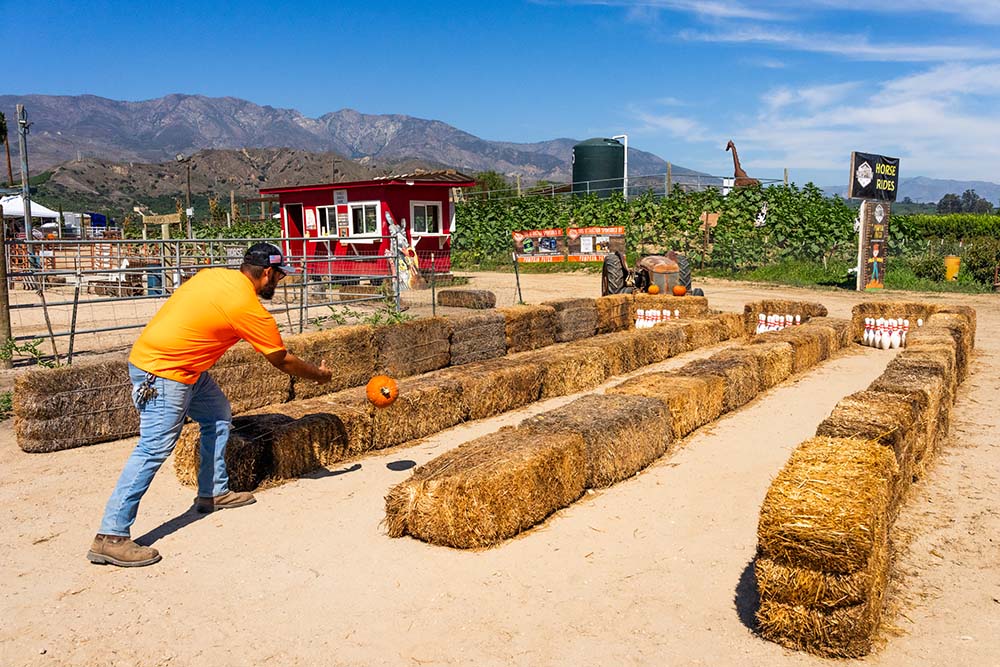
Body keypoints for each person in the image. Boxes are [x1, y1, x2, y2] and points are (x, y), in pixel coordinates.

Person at [88, 243, 333, 567]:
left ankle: (213, 492)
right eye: (279, 276)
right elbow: (282, 360)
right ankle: (111, 536)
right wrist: (319, 376)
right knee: (153, 448)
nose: (280, 282)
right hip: (165, 371)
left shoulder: (214, 276)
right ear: (267, 273)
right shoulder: (247, 307)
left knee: (217, 414)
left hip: (180, 366)